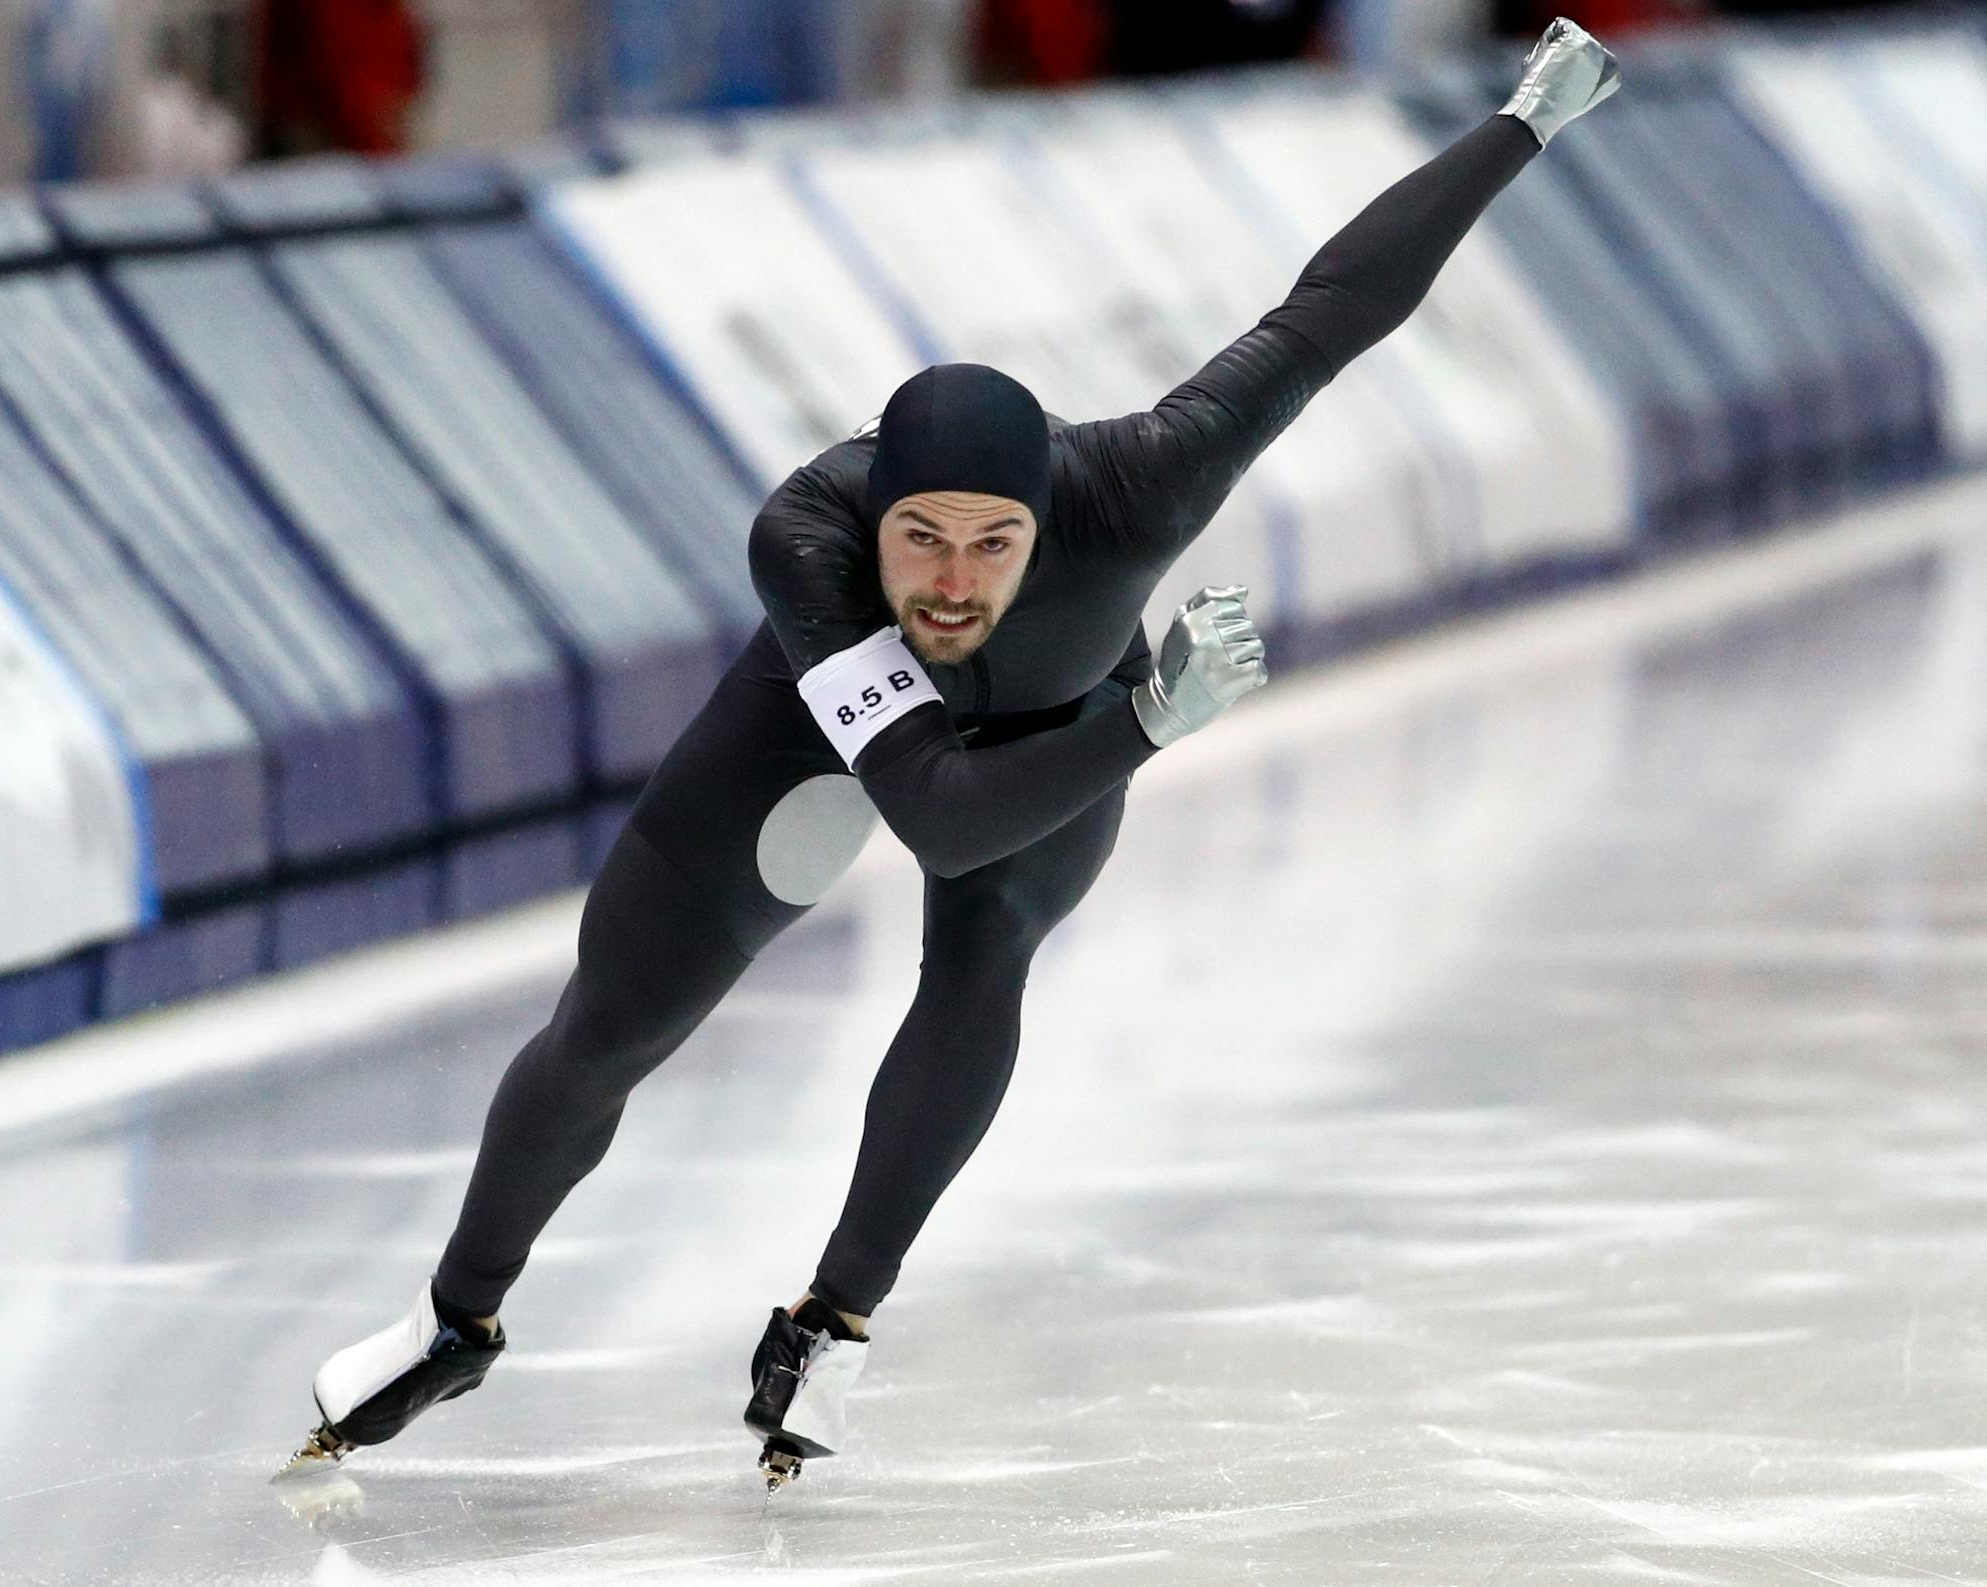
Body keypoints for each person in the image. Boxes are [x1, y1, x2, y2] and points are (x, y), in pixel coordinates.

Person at [278, 18, 1621, 1491]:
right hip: (864, 724)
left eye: (995, 546)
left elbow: (1335, 309)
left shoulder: (1146, 479)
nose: (955, 584)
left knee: (985, 960)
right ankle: (453, 1317)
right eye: (922, 540)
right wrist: (1150, 722)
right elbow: (932, 813)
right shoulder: (810, 541)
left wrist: (1524, 125)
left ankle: (832, 1324)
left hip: (1059, 722)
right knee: (613, 1024)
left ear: (1052, 520)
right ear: (877, 522)